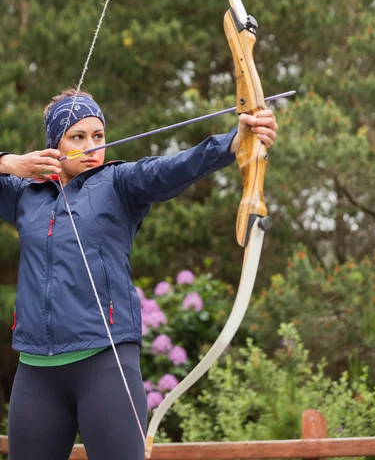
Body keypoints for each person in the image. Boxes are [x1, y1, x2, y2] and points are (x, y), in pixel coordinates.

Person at [0, 87, 278, 460]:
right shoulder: (25, 195)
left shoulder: (120, 184)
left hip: (105, 363)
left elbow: (175, 167)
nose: (92, 146)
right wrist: (9, 163)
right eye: (77, 137)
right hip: (36, 371)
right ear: (54, 145)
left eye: (98, 136)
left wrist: (236, 142)